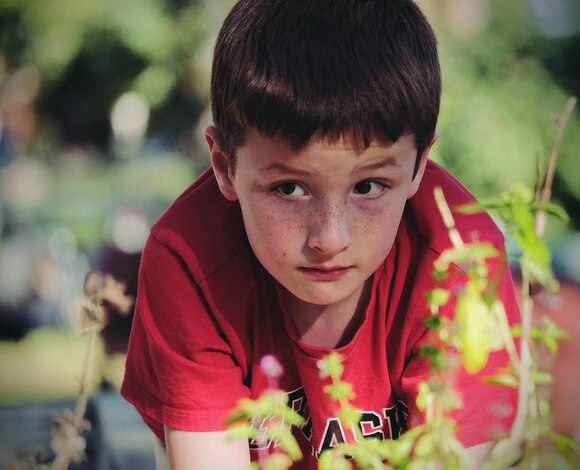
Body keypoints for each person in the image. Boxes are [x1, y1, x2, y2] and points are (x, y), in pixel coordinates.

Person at [121, 0, 519, 468]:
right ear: (225, 166)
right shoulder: (188, 261)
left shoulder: (460, 259)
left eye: (369, 186)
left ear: (419, 165)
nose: (329, 239)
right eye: (289, 188)